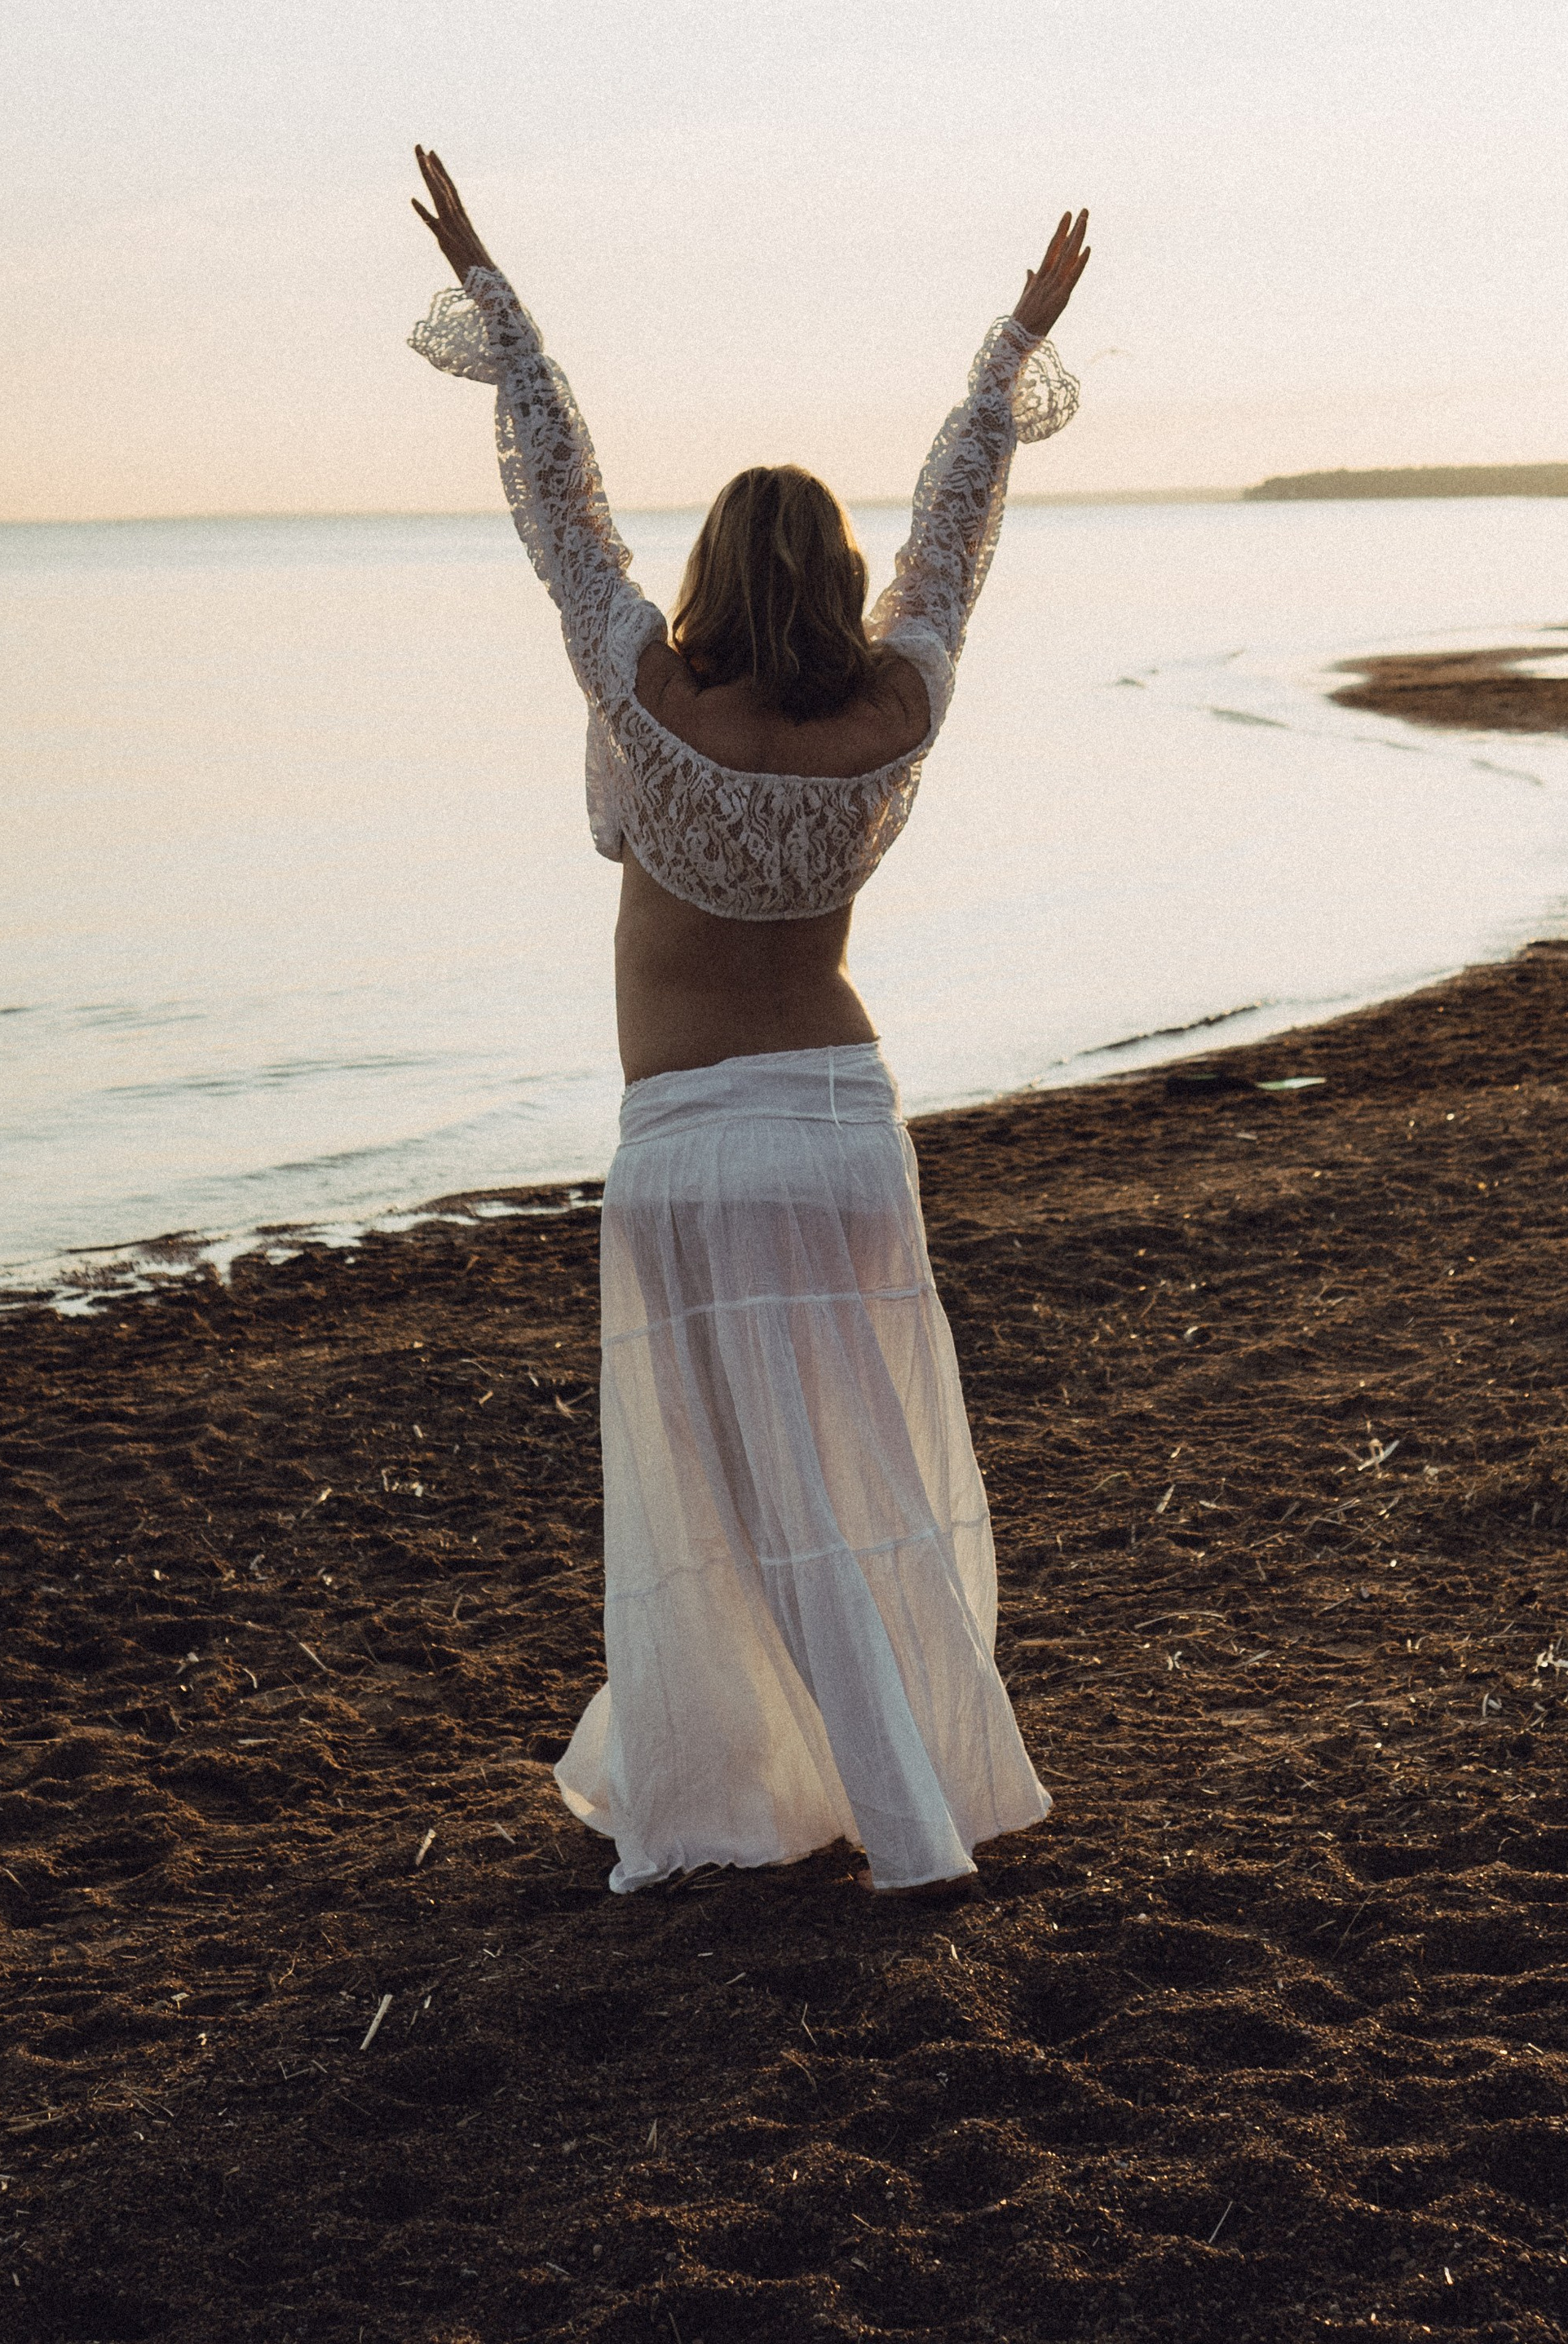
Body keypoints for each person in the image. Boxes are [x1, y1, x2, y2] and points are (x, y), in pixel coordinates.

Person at [407, 148, 1089, 1894]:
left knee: (715, 1512)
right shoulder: (893, 709)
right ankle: (875, 1791)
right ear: (837, 573)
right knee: (855, 1491)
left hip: (691, 1145)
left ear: (713, 564)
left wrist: (503, 306)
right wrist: (1006, 353)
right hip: (842, 1126)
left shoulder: (642, 694)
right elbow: (954, 540)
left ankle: (824, 1814)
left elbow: (560, 507)